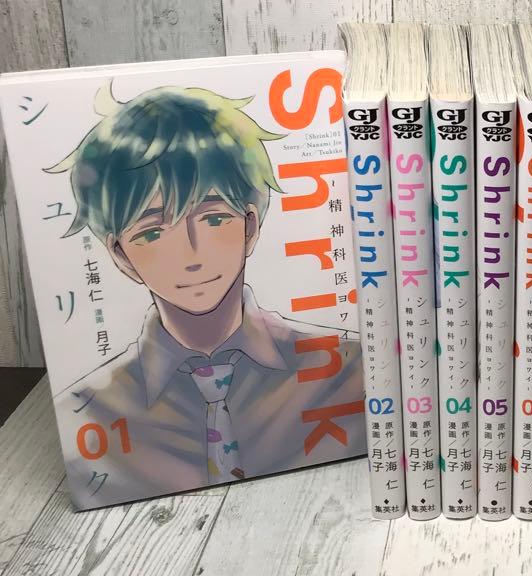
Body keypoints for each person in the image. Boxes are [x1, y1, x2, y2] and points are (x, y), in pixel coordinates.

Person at [49, 81, 364, 509]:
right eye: (153, 232)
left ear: (249, 227)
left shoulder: (352, 370)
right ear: (121, 256)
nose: (191, 255)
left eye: (213, 218)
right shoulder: (85, 416)